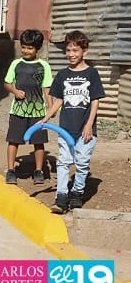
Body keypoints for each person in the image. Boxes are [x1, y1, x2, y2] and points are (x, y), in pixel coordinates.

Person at [43, 30, 105, 214]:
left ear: (84, 51)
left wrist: (89, 125)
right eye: (68, 50)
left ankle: (77, 193)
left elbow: (95, 100)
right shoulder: (62, 75)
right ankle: (61, 197)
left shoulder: (92, 74)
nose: (71, 54)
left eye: (75, 50)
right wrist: (46, 117)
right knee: (63, 162)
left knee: (82, 163)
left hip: (85, 130)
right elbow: (59, 101)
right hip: (66, 129)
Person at [3, 29, 53, 185]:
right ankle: (11, 170)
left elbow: (47, 87)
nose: (25, 51)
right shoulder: (16, 64)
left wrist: (51, 107)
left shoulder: (44, 66)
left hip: (38, 111)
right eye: (23, 47)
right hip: (18, 111)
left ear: (38, 48)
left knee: (38, 141)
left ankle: (38, 171)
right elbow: (7, 83)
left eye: (30, 48)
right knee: (13, 140)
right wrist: (15, 91)